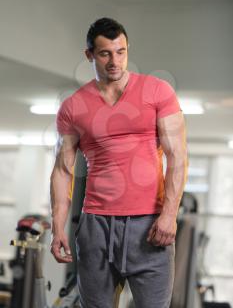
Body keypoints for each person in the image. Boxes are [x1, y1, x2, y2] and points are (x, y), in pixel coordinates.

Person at [50, 17, 188, 308]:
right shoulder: (74, 106)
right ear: (89, 55)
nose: (115, 61)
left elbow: (178, 157)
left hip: (149, 224)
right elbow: (63, 170)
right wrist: (58, 225)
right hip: (95, 226)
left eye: (121, 51)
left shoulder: (157, 92)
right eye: (105, 53)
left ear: (127, 49)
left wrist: (168, 215)